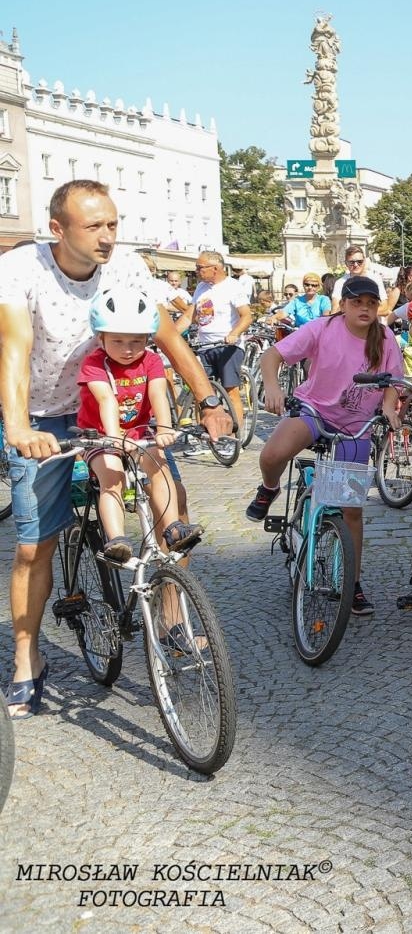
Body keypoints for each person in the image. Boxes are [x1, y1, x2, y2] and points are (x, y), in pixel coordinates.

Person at [1, 180, 228, 721]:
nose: (108, 236)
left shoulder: (126, 268)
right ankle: (27, 658)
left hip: (125, 410)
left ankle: (171, 617)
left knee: (172, 506)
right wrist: (16, 427)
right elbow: (13, 348)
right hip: (43, 414)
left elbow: (168, 335)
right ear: (58, 229)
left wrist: (207, 400)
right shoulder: (20, 269)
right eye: (94, 226)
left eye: (112, 224)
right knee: (35, 545)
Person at [248, 274, 402, 617]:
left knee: (351, 510)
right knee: (273, 453)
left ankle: (353, 581)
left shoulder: (385, 337)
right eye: (356, 302)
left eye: (370, 303)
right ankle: (269, 488)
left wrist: (390, 404)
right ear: (343, 304)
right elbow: (272, 356)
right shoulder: (322, 328)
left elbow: (393, 380)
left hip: (355, 425)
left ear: (378, 307)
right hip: (314, 410)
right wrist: (272, 387)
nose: (364, 308)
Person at [78, 290, 200, 563]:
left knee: (159, 467)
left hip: (137, 431)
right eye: (117, 341)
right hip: (100, 435)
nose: (127, 349)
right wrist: (112, 436)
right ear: (101, 338)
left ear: (148, 339)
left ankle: (173, 527)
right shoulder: (95, 363)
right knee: (113, 478)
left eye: (136, 341)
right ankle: (117, 538)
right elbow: (105, 398)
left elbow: (158, 394)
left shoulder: (151, 361)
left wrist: (165, 428)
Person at [190, 250, 254, 439]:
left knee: (230, 389)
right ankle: (205, 434)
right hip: (204, 345)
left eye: (200, 268)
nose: (197, 271)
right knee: (201, 392)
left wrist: (234, 334)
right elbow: (191, 315)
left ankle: (235, 436)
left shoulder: (232, 287)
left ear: (215, 268)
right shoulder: (201, 287)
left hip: (227, 346)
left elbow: (247, 316)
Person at [330, 245, 393, 316]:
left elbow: (384, 309)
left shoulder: (375, 278)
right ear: (346, 263)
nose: (356, 265)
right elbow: (335, 311)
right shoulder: (340, 283)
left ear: (364, 261)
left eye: (359, 261)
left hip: (374, 325)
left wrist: (356, 312)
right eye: (351, 262)